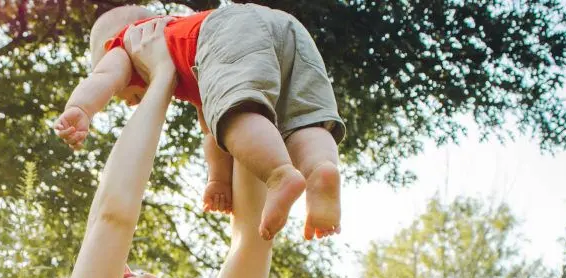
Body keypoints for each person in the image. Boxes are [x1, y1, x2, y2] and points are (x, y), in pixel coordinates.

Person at [4, 19, 274, 278]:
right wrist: (162, 76)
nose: (123, 265)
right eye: (111, 277)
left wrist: (233, 84)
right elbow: (112, 218)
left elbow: (253, 237)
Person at [53, 4, 346, 241]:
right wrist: (218, 180)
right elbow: (212, 131)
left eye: (123, 95)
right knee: (303, 119)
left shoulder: (129, 43)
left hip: (228, 29)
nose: (128, 101)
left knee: (237, 116)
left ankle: (280, 174)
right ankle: (320, 170)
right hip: (286, 28)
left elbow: (103, 77)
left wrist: (81, 108)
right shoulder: (194, 59)